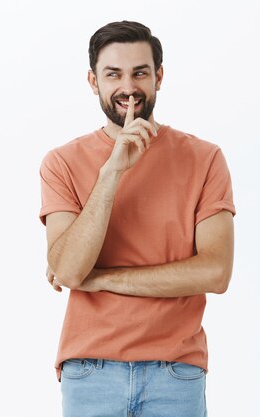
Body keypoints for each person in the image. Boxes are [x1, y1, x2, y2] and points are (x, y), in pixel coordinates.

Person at [38, 21, 235, 417]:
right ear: (93, 81)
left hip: (176, 372)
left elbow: (215, 272)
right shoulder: (61, 163)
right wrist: (111, 172)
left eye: (140, 72)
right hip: (91, 372)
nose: (128, 87)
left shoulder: (204, 159)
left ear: (159, 77)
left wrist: (104, 278)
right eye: (114, 74)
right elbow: (70, 270)